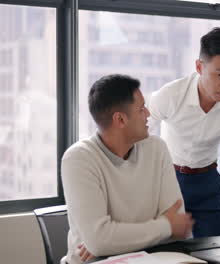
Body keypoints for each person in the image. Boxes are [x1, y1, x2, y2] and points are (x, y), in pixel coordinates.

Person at [61, 74, 193, 264]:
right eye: (141, 109)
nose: (148, 114)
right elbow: (100, 241)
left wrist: (112, 241)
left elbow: (178, 222)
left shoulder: (157, 148)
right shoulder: (79, 159)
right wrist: (165, 225)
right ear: (120, 120)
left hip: (148, 259)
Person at [148, 28, 220, 238]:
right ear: (199, 67)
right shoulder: (171, 95)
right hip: (169, 180)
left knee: (214, 249)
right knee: (167, 250)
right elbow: (136, 138)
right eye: (219, 74)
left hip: (207, 181)